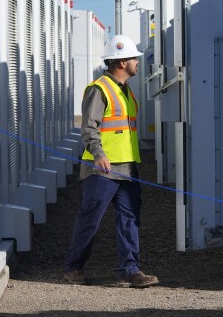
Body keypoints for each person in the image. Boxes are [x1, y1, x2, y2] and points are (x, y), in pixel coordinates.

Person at [64, 35, 159, 288]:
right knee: (90, 220)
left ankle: (130, 270)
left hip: (127, 168)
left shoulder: (125, 91)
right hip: (102, 170)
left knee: (129, 219)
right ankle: (74, 269)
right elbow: (89, 127)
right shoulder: (99, 89)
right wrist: (99, 155)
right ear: (121, 62)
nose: (137, 62)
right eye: (133, 59)